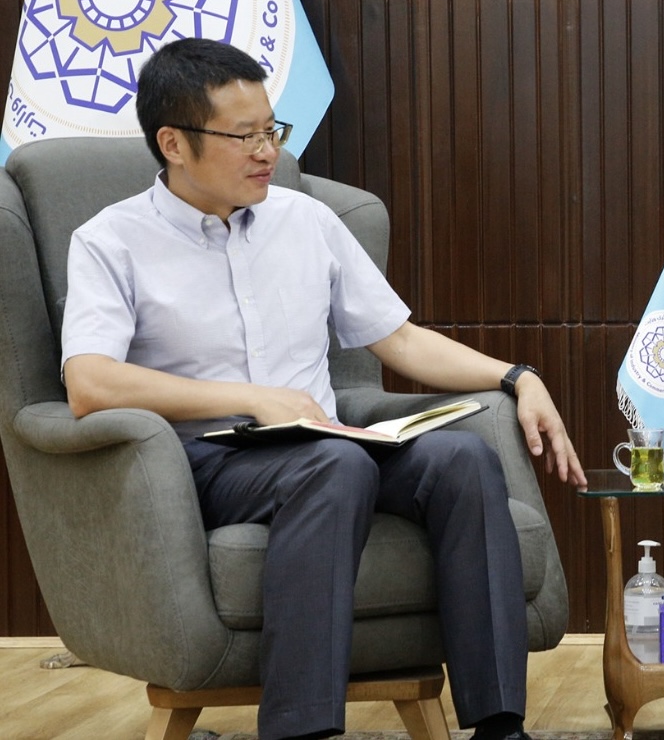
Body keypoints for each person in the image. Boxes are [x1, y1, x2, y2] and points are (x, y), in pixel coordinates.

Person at [60, 37, 586, 740]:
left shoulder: (304, 220)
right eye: (244, 136)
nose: (267, 152)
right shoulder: (112, 240)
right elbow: (89, 383)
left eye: (271, 130)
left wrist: (517, 376)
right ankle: (300, 728)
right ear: (174, 144)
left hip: (326, 443)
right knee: (335, 465)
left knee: (461, 457)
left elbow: (399, 340)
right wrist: (250, 397)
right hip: (207, 461)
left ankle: (499, 725)